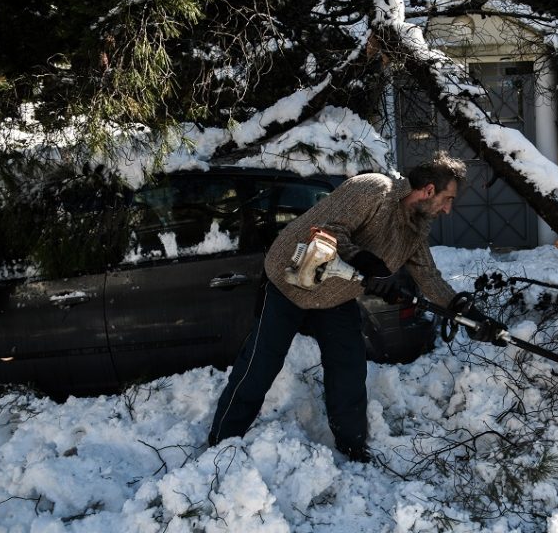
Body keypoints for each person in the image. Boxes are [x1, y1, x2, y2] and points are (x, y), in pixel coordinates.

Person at [207, 151, 504, 461]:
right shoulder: (374, 189)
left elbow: (430, 279)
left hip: (334, 297)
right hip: (289, 283)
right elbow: (329, 229)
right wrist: (365, 261)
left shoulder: (414, 232)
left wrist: (466, 310)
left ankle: (352, 446)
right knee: (260, 364)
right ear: (429, 189)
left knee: (349, 367)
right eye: (447, 198)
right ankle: (221, 443)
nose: (447, 209)